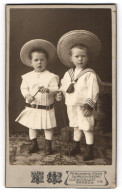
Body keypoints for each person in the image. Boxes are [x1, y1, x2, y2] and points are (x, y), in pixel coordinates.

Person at [56, 30, 101, 161]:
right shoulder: (68, 73)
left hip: (83, 106)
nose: (80, 59)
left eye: (83, 56)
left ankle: (90, 149)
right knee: (75, 125)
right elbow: (64, 86)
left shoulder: (89, 74)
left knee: (87, 127)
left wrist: (89, 106)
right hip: (71, 104)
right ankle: (77, 146)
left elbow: (93, 90)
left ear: (87, 57)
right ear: (71, 58)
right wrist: (60, 93)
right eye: (77, 56)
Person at [15, 39, 59, 155]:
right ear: (31, 62)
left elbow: (56, 90)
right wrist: (27, 95)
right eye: (36, 60)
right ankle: (34, 144)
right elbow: (23, 88)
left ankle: (48, 146)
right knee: (32, 126)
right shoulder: (27, 77)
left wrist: (49, 90)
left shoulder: (52, 77)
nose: (39, 62)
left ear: (46, 61)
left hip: (46, 107)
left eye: (42, 60)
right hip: (33, 107)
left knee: (48, 127)